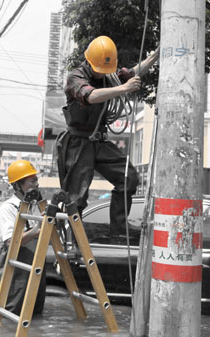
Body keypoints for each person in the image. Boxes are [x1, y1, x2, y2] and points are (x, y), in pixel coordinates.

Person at [57, 35, 159, 236]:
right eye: (99, 69)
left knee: (128, 177)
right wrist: (123, 88)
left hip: (98, 141)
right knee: (76, 198)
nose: (103, 73)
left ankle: (119, 231)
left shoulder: (108, 76)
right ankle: (70, 239)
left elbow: (132, 73)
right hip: (78, 142)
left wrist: (155, 56)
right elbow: (90, 95)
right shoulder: (75, 78)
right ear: (89, 61)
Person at [0, 160, 46, 315]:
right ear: (17, 185)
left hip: (34, 265)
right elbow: (11, 242)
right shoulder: (8, 208)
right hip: (16, 268)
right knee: (13, 310)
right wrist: (37, 230)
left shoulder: (32, 207)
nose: (36, 185)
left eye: (36, 180)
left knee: (35, 311)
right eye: (31, 181)